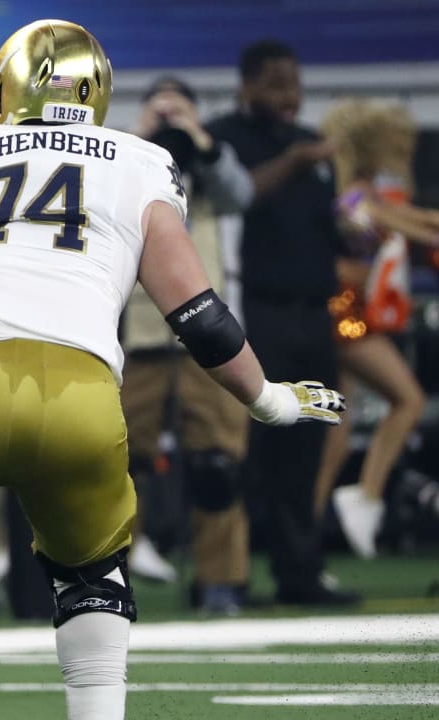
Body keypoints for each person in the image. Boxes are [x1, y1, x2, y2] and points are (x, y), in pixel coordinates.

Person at [0, 20, 346, 720]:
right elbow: (200, 315)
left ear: (6, 90)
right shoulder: (139, 163)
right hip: (83, 395)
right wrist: (270, 401)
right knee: (93, 581)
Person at [206, 40, 359, 606]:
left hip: (312, 315)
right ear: (246, 85)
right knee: (249, 447)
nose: (288, 95)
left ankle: (301, 573)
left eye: (294, 83)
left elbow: (328, 230)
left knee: (307, 446)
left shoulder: (311, 146)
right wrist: (293, 164)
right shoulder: (224, 139)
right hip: (254, 315)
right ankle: (231, 576)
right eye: (274, 83)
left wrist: (356, 227)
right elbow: (234, 202)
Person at [313, 98, 439, 559]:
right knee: (408, 399)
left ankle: (309, 534)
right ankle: (364, 495)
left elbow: (421, 219)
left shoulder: (364, 191)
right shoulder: (351, 197)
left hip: (355, 315)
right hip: (344, 317)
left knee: (336, 433)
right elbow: (417, 228)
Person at [121, 76, 256, 613]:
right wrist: (144, 135)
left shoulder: (213, 162)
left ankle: (221, 583)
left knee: (217, 466)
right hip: (141, 336)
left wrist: (198, 139)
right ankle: (109, 578)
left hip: (211, 334)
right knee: (114, 464)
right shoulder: (126, 162)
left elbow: (240, 195)